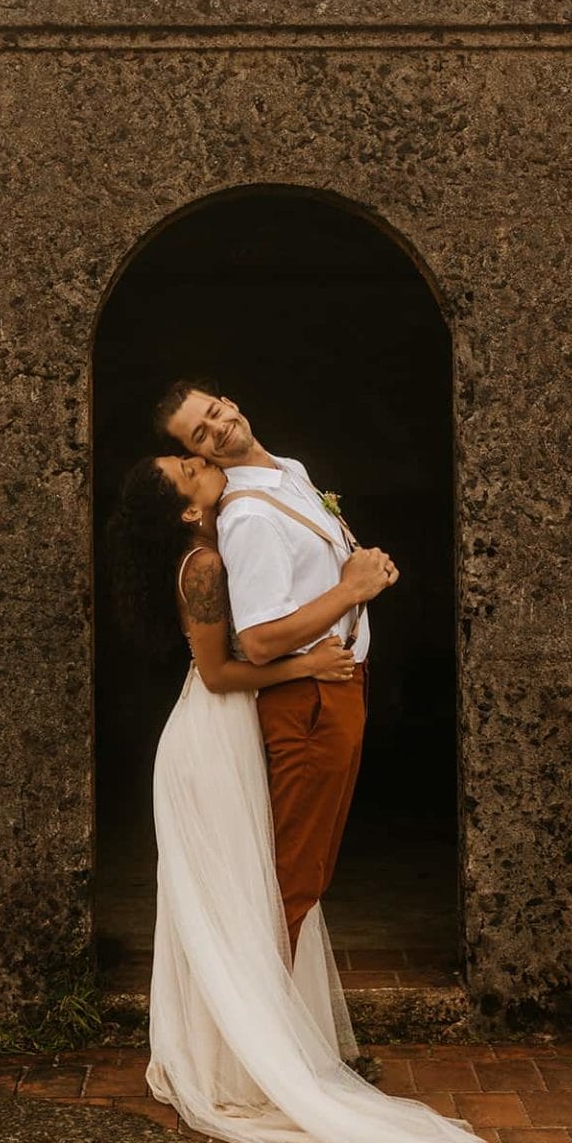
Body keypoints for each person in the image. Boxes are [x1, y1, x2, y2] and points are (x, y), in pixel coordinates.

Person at [107, 450, 492, 1143]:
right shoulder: (205, 567)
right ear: (189, 510)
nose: (199, 459)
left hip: (226, 734)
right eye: (186, 468)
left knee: (240, 895)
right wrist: (306, 667)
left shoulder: (224, 543)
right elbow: (222, 672)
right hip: (208, 742)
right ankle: (243, 1066)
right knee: (244, 896)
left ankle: (239, 1052)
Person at [156, 382, 394, 953]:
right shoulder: (246, 520)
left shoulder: (288, 469)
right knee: (293, 878)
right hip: (310, 699)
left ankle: (277, 1024)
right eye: (199, 436)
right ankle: (259, 1038)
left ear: (230, 402)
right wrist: (350, 590)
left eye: (213, 413)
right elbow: (259, 640)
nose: (215, 430)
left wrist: (367, 572)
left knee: (308, 872)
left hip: (337, 683)